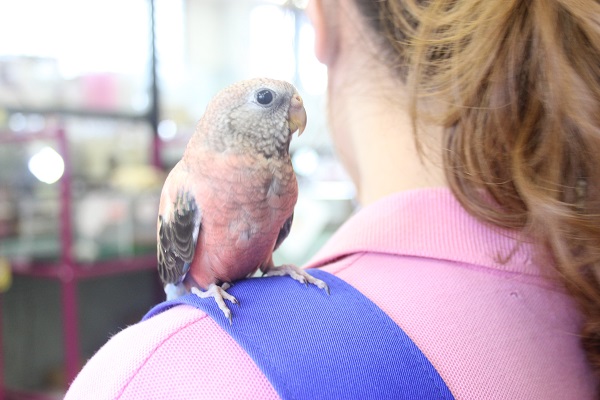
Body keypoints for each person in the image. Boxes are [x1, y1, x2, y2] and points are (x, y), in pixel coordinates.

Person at [65, 0, 599, 398]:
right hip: (202, 295)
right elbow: (176, 272)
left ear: (323, 19)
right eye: (270, 101)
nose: (293, 111)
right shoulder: (575, 287)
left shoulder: (149, 376)